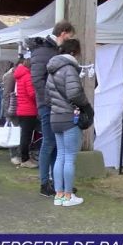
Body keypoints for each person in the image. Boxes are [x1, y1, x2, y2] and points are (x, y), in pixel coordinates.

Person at [29, 21, 74, 197]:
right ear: (64, 33)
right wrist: (51, 100)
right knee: (49, 143)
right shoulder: (44, 51)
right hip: (48, 105)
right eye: (70, 35)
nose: (70, 38)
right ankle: (44, 183)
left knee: (56, 144)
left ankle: (58, 184)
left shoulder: (50, 51)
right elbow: (38, 81)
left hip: (52, 104)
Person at [45, 39, 91, 207]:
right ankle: (69, 195)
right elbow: (74, 94)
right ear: (73, 53)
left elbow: (46, 98)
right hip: (69, 118)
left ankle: (58, 195)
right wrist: (85, 105)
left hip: (54, 117)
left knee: (60, 156)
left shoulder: (51, 70)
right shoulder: (69, 68)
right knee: (70, 158)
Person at [14, 57, 39, 169]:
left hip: (22, 109)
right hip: (29, 110)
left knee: (24, 135)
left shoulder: (20, 76)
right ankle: (25, 159)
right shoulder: (28, 77)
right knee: (26, 137)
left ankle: (22, 157)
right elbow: (32, 94)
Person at [1, 58, 24, 165]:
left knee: (17, 131)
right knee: (14, 131)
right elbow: (6, 95)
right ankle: (14, 155)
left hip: (17, 107)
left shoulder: (12, 75)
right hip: (13, 108)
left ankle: (17, 154)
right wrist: (7, 112)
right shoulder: (11, 76)